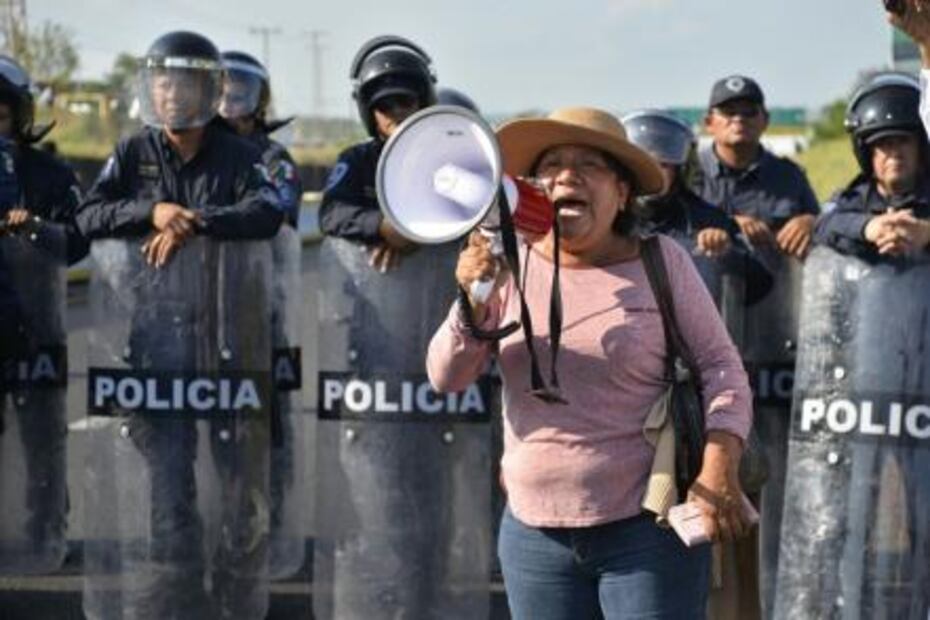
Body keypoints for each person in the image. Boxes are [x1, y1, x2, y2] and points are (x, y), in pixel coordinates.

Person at [427, 107, 754, 620]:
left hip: (648, 532)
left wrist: (718, 467)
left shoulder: (661, 261)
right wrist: (472, 298)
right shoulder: (509, 262)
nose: (566, 176)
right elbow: (447, 377)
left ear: (622, 192)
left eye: (589, 165)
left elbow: (721, 368)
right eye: (552, 165)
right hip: (534, 538)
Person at [76, 30, 281, 620]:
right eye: (161, 80)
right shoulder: (132, 152)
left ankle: (232, 595)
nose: (169, 92)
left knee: (237, 487)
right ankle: (177, 598)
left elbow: (267, 212)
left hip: (226, 343)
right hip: (154, 348)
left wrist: (192, 222)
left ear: (208, 89)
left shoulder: (244, 157)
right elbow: (90, 213)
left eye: (181, 81)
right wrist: (151, 210)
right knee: (168, 485)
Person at [219, 48, 307, 580]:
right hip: (202, 314)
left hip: (263, 313)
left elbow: (280, 211)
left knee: (268, 425)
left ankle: (269, 523)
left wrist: (205, 220)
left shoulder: (273, 157)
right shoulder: (195, 153)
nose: (231, 101)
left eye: (241, 91)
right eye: (223, 89)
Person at [0, 54, 86, 574]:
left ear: (19, 115)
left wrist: (34, 229)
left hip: (36, 328)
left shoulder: (49, 172)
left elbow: (79, 240)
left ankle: (45, 530)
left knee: (42, 439)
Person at [622, 108, 772, 306]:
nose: (653, 173)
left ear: (680, 171)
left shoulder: (707, 218)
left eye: (663, 165)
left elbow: (760, 284)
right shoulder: (607, 216)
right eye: (645, 165)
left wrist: (725, 253)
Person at [318, 35, 435, 272]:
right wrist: (382, 227)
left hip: (440, 289)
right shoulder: (356, 159)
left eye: (404, 100)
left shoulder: (448, 157)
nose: (396, 112)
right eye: (384, 105)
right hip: (374, 296)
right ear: (370, 112)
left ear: (422, 102)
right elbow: (331, 212)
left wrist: (414, 235)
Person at [695, 75, 819, 259]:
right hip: (705, 283)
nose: (739, 119)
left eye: (749, 112)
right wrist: (728, 225)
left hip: (776, 283)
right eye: (728, 112)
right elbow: (669, 229)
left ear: (765, 120)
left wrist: (811, 222)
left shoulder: (789, 175)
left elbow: (826, 225)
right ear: (709, 123)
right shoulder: (689, 174)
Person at [814, 73, 930, 257]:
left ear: (921, 147)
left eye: (903, 140)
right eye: (884, 143)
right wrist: (869, 227)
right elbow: (821, 224)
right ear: (867, 153)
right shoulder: (852, 199)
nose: (895, 152)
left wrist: (925, 232)